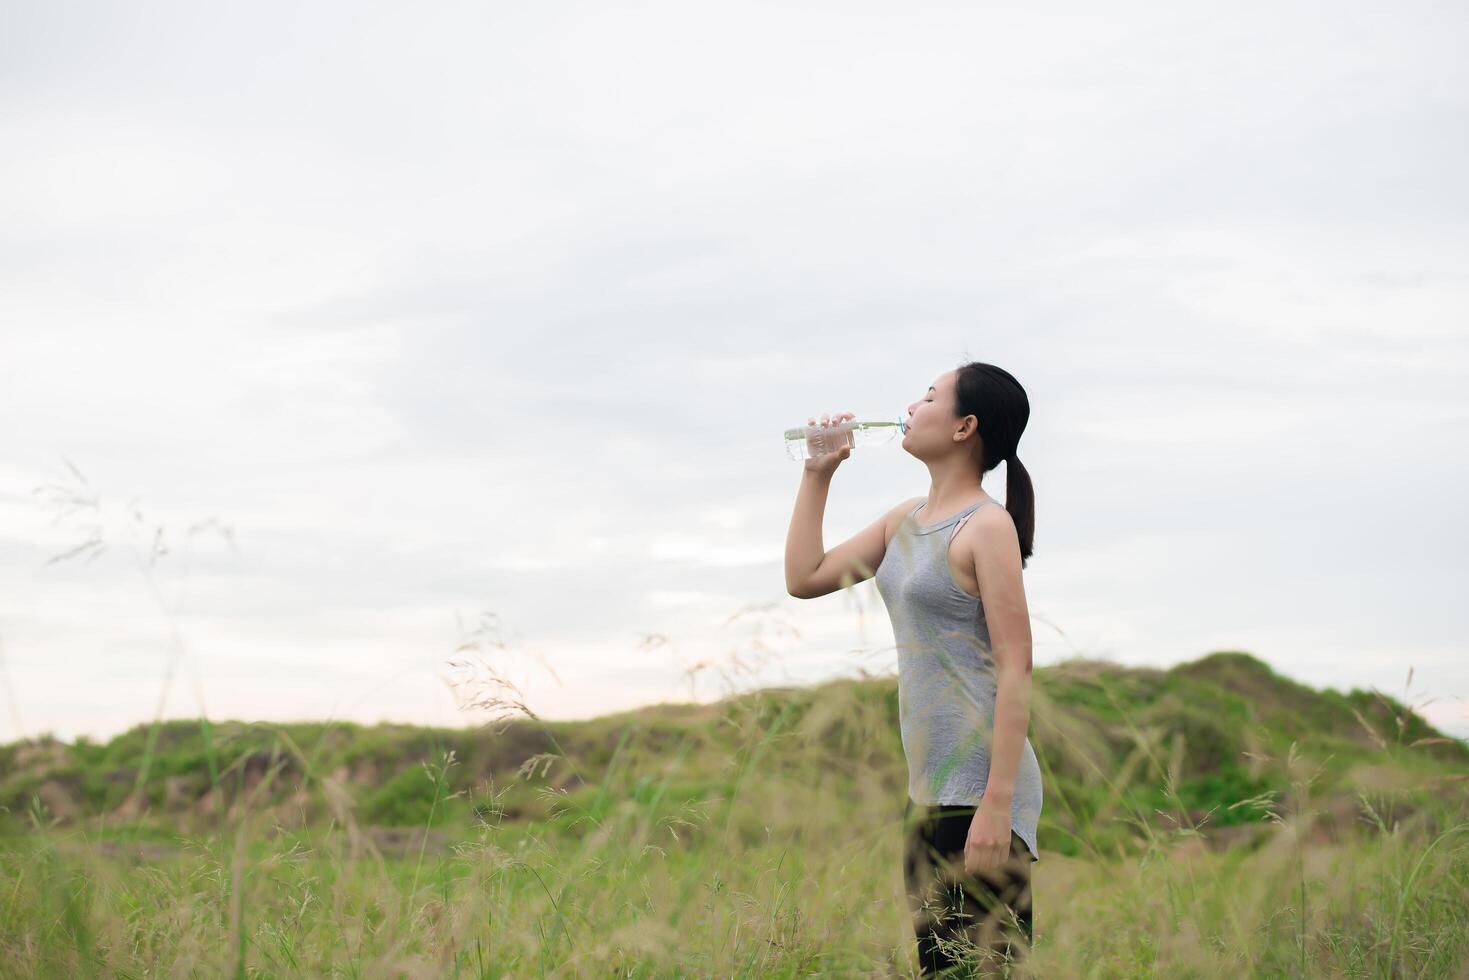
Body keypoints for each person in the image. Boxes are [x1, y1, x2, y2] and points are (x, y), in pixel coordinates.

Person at [785, 362, 1043, 977]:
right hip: (927, 790)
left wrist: (996, 807)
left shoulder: (986, 526)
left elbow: (1017, 668)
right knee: (940, 969)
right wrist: (817, 473)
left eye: (930, 396)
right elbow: (804, 578)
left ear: (965, 426)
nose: (912, 404)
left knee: (982, 970)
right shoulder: (902, 520)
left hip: (982, 789)